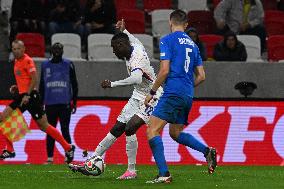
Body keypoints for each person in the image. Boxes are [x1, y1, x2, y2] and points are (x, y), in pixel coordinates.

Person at [68, 19, 163, 180]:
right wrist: (124, 30)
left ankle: (131, 171)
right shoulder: (134, 45)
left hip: (152, 96)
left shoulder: (137, 57)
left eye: (114, 49)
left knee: (130, 128)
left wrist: (112, 84)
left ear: (120, 46)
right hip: (138, 95)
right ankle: (91, 160)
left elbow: (136, 79)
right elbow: (130, 38)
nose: (113, 52)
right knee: (118, 128)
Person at [144, 9, 217, 184]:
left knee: (152, 130)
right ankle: (207, 151)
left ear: (170, 22)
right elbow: (201, 76)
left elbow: (164, 71)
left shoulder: (167, 40)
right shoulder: (194, 45)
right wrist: (186, 88)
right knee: (175, 133)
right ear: (185, 25)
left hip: (173, 92)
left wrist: (152, 92)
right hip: (187, 94)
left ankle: (164, 174)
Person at [0, 40, 75, 163]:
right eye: (14, 49)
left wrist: (27, 95)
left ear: (23, 49)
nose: (16, 51)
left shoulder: (27, 60)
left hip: (31, 97)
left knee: (44, 126)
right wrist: (17, 87)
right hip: (22, 96)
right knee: (3, 118)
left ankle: (68, 147)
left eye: (18, 48)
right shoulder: (16, 61)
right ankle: (10, 149)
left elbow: (34, 79)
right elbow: (25, 79)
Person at [39, 42, 78, 164]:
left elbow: (74, 84)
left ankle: (69, 155)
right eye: (55, 49)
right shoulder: (45, 65)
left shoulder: (68, 64)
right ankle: (50, 157)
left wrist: (74, 101)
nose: (57, 51)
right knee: (50, 130)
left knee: (65, 129)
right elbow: (41, 85)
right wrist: (41, 103)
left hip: (64, 102)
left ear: (63, 51)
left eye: (60, 49)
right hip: (50, 103)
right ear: (51, 50)